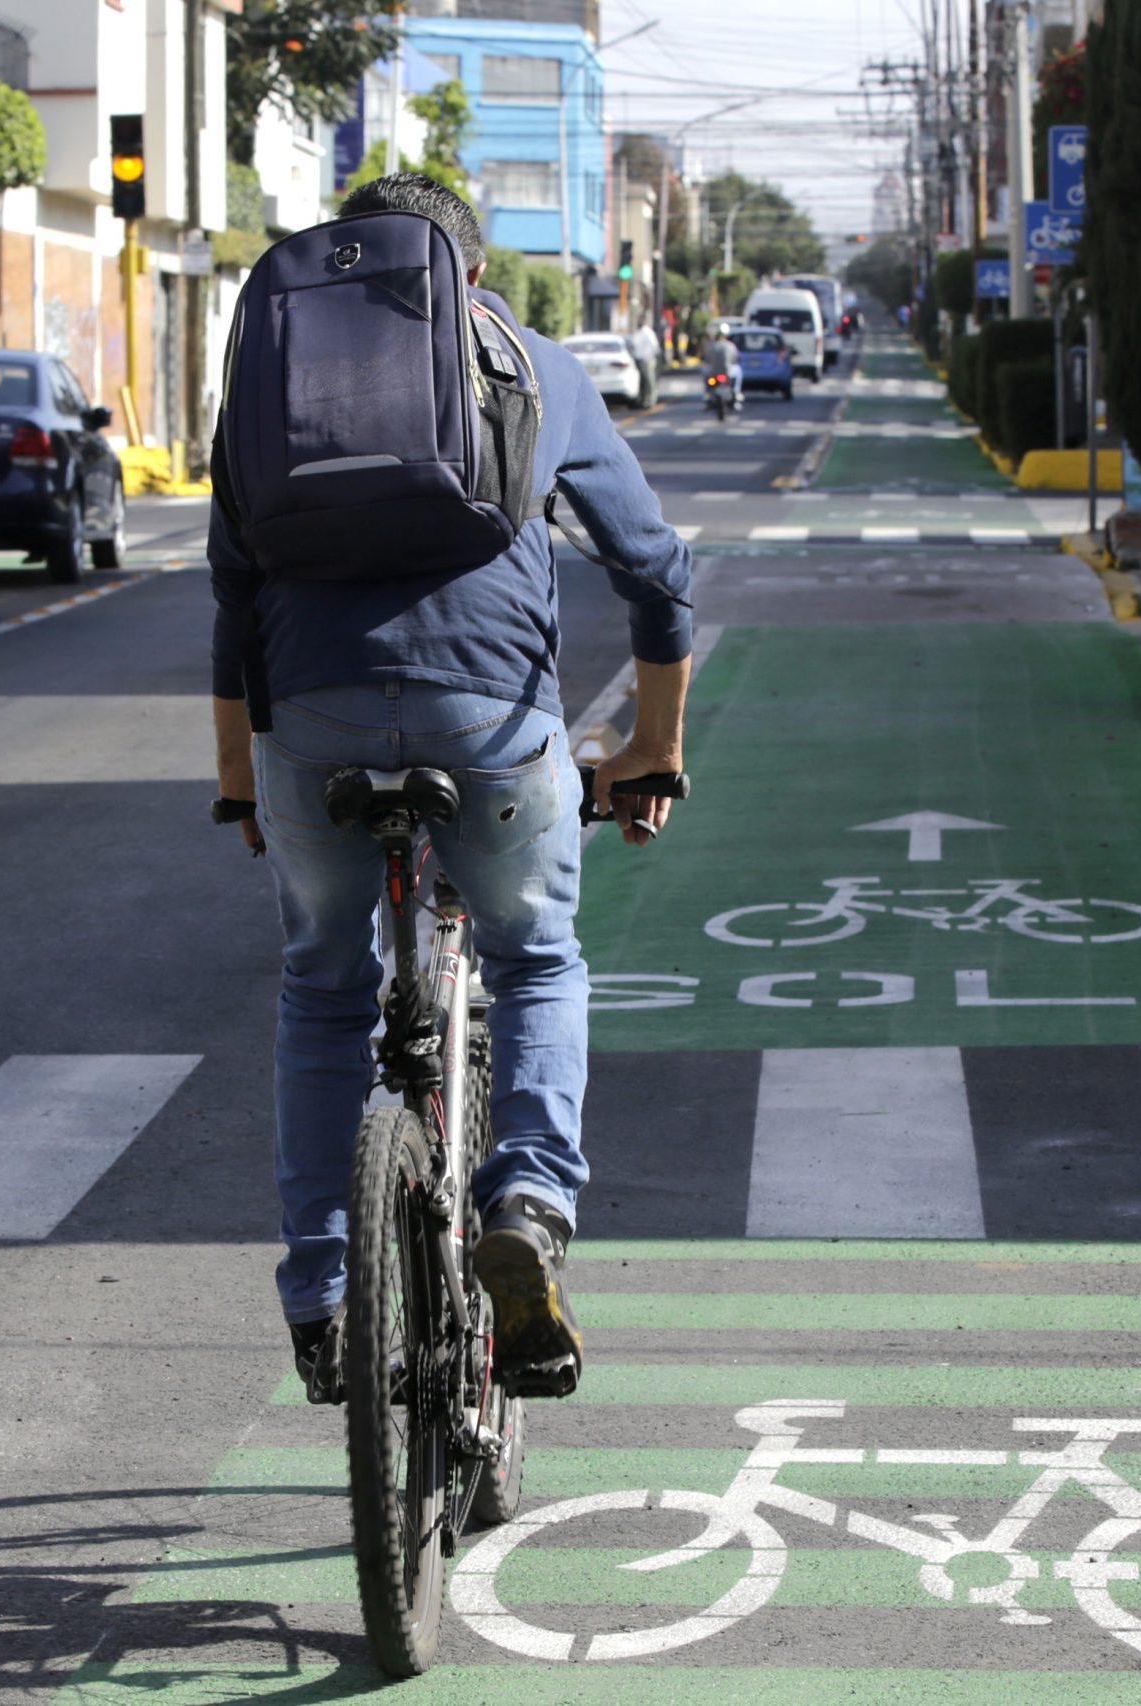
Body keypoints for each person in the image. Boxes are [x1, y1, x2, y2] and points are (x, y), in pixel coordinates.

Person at [208, 174, 695, 1404]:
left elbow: (231, 593)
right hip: (492, 721)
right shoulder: (529, 364)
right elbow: (654, 571)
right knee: (537, 957)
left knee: (323, 989)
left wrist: (239, 781)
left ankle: (321, 1294)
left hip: (305, 722)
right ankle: (526, 1199)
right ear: (464, 277)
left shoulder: (272, 374)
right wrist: (651, 749)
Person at [699, 324, 740, 414]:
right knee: (738, 371)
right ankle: (737, 394)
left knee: (705, 373)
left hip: (714, 374)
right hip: (726, 374)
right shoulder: (731, 346)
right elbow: (735, 359)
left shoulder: (711, 346)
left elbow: (706, 360)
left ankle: (707, 396)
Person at [628, 316, 662, 409]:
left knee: (649, 381)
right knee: (642, 382)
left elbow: (654, 346)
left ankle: (651, 400)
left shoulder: (647, 332)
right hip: (639, 359)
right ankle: (642, 400)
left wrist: (649, 357)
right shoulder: (638, 332)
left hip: (646, 359)